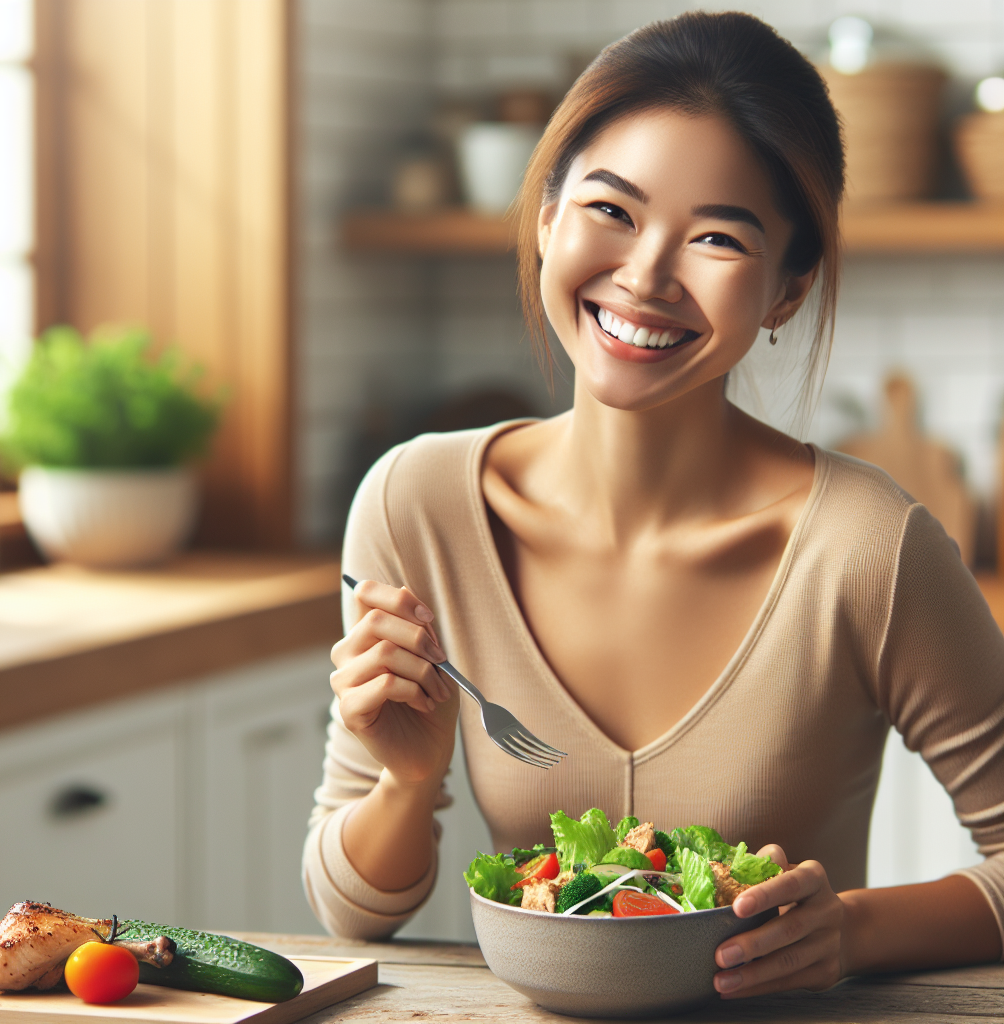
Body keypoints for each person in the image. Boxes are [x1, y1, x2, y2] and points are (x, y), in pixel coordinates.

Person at [302, 11, 1004, 998]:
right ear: (546, 217)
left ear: (787, 288)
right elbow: (352, 913)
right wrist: (408, 781)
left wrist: (852, 929)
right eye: (611, 209)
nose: (644, 274)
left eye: (717, 236)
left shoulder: (868, 548)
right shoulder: (416, 504)